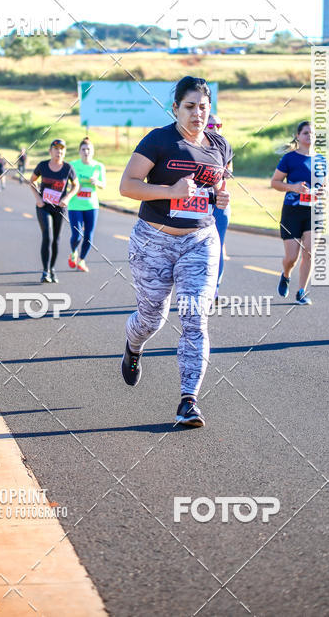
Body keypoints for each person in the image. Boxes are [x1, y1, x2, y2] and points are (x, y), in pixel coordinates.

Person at [119, 76, 232, 429]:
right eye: (190, 106)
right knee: (152, 318)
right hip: (154, 241)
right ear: (175, 109)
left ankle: (188, 401)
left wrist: (221, 197)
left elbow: (217, 189)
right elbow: (128, 186)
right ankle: (133, 347)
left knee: (195, 316)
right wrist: (170, 191)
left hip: (199, 242)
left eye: (203, 106)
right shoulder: (159, 140)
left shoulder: (221, 146)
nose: (197, 113)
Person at [270, 121, 325, 306]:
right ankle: (286, 275)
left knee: (309, 252)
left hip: (314, 211)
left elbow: (324, 185)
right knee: (291, 257)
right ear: (298, 136)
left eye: (313, 133)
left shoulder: (321, 160)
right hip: (292, 211)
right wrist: (293, 187)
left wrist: (323, 191)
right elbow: (275, 182)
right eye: (306, 133)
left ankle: (301, 292)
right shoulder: (289, 158)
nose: (310, 136)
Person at [29, 139, 78, 283]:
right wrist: (38, 198)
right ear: (50, 151)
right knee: (47, 236)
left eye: (62, 149)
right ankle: (45, 271)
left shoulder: (68, 168)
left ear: (64, 152)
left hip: (60, 208)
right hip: (44, 207)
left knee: (56, 239)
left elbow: (76, 185)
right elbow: (32, 181)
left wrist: (67, 198)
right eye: (56, 149)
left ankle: (52, 269)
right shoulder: (43, 166)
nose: (59, 152)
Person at [68, 137, 106, 272]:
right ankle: (73, 252)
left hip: (92, 205)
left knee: (89, 236)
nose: (86, 152)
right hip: (75, 204)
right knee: (77, 234)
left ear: (93, 151)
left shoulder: (98, 166)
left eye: (88, 149)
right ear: (79, 151)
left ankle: (82, 260)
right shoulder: (72, 165)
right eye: (83, 149)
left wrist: (97, 182)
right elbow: (66, 182)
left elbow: (103, 185)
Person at [207, 114, 232, 295]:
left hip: (219, 204)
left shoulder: (224, 147)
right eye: (211, 125)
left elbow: (229, 173)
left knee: (218, 245)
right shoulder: (193, 146)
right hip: (197, 204)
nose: (215, 128)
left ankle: (214, 288)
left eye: (218, 125)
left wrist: (223, 171)